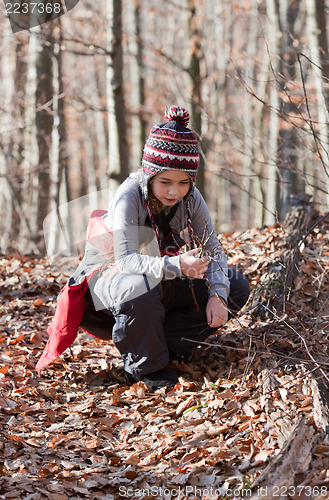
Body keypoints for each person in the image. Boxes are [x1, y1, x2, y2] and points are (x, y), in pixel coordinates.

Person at [36, 106, 250, 390]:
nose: (174, 191)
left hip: (157, 274)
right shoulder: (129, 194)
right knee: (140, 285)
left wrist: (218, 295)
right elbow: (125, 262)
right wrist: (176, 266)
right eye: (165, 182)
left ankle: (170, 347)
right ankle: (146, 368)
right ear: (150, 174)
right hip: (108, 282)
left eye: (183, 183)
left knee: (236, 285)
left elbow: (213, 249)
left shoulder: (192, 198)